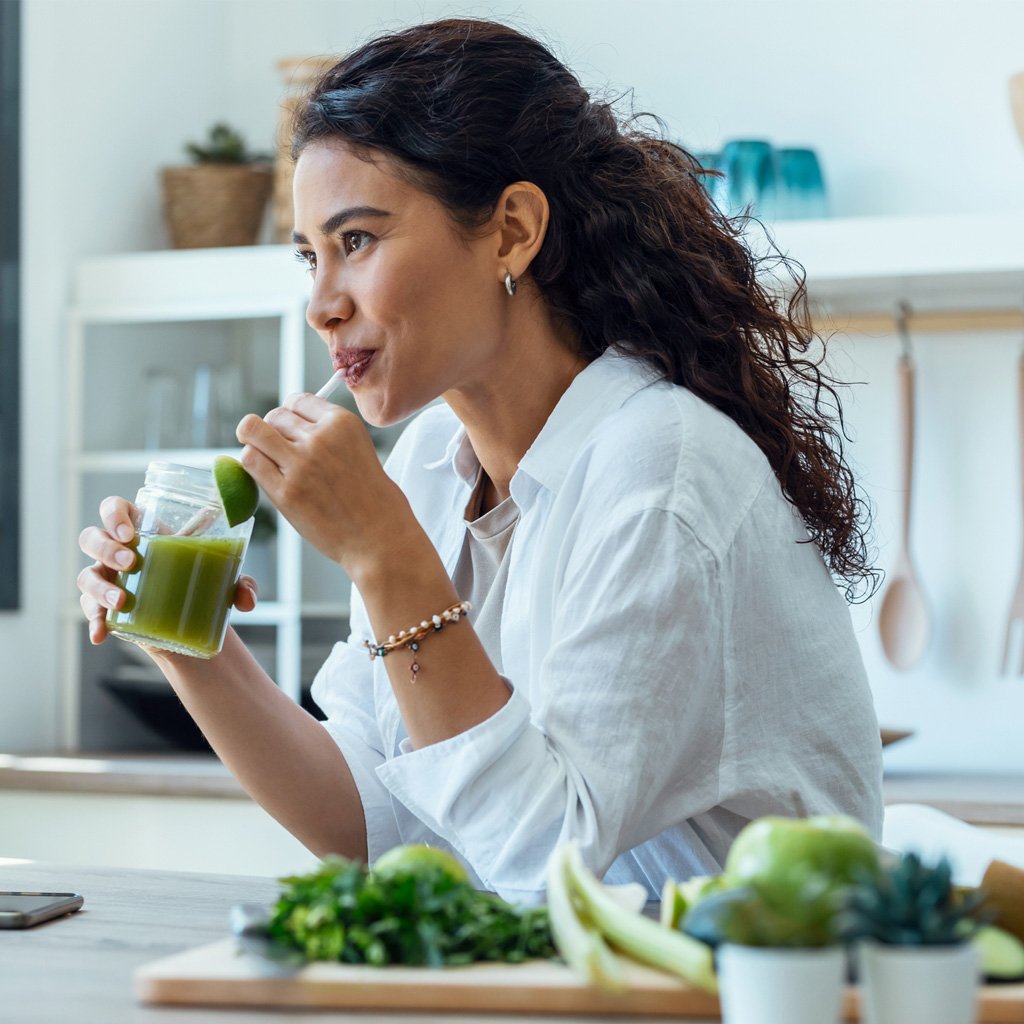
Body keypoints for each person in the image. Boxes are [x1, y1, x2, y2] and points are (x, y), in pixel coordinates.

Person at [77, 17, 883, 903]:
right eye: (310, 256)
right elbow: (372, 821)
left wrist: (387, 559)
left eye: (358, 242)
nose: (322, 305)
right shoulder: (429, 462)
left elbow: (549, 870)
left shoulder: (661, 476)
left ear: (511, 232)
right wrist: (186, 638)